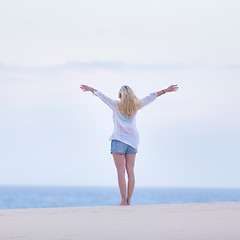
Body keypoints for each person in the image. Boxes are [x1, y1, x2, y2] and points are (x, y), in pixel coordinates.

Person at [80, 84, 179, 206]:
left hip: (119, 140)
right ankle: (129, 200)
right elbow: (152, 96)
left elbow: (102, 96)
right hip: (133, 142)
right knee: (131, 171)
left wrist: (91, 90)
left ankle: (123, 201)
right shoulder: (136, 106)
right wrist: (166, 90)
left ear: (120, 95)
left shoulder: (116, 105)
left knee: (120, 172)